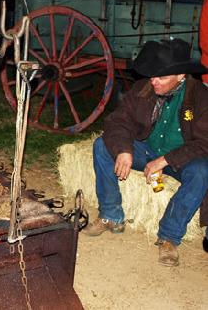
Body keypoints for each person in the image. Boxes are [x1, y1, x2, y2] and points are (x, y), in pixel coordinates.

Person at [82, 38, 208, 267]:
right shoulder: (143, 88)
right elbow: (118, 121)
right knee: (102, 146)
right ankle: (111, 214)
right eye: (153, 75)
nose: (154, 81)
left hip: (181, 158)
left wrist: (167, 159)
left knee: (202, 171)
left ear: (181, 76)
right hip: (148, 149)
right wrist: (124, 150)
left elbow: (204, 142)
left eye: (161, 77)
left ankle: (169, 237)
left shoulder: (201, 97)